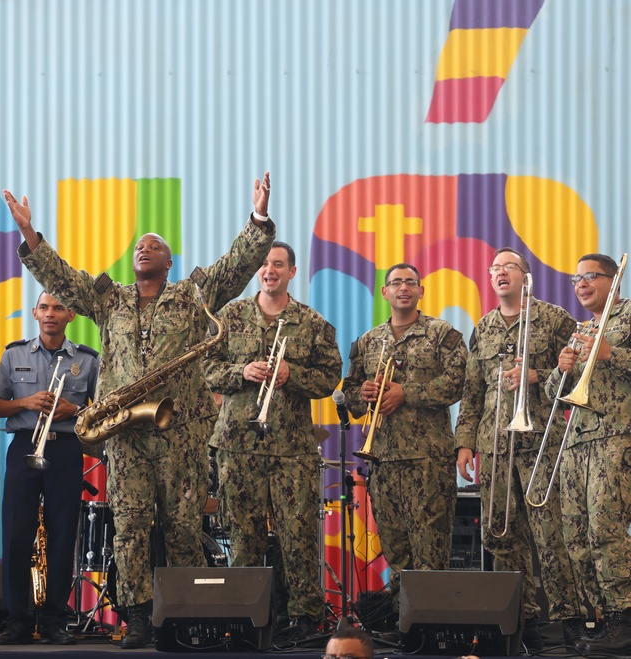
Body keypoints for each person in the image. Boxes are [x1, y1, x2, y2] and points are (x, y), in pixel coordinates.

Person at [3, 172, 275, 649]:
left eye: (154, 247)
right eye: (139, 247)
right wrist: (30, 234)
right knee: (129, 525)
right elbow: (61, 276)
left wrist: (258, 217)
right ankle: (140, 618)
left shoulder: (192, 295)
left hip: (181, 431)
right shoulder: (110, 299)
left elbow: (237, 265)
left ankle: (186, 613)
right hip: (125, 432)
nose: (143, 250)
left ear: (170, 263)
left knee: (184, 525)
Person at [205, 241, 341, 635]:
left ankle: (303, 617)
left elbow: (331, 376)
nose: (270, 270)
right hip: (237, 446)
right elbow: (206, 368)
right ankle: (245, 615)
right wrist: (240, 372)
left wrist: (291, 376)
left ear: (291, 272)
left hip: (291, 448)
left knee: (297, 535)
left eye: (278, 264)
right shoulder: (230, 315)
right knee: (242, 534)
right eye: (264, 263)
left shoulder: (311, 322)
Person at [455, 247, 585, 648]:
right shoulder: (484, 327)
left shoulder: (554, 319)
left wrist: (536, 375)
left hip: (541, 442)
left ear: (526, 276)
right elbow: (472, 390)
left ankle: (569, 620)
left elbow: (581, 370)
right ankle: (520, 619)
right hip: (494, 444)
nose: (499, 273)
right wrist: (464, 444)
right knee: (500, 535)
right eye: (494, 269)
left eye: (508, 267)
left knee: (550, 534)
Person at [340, 264, 466, 601]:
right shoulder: (368, 342)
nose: (404, 288)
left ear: (421, 291)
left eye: (411, 282)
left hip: (428, 462)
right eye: (396, 283)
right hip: (383, 461)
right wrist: (364, 395)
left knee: (431, 551)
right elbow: (349, 393)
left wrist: (406, 392)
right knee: (396, 552)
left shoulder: (442, 334)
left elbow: (459, 381)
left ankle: (430, 624)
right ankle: (404, 622)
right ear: (385, 293)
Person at [0, 291, 100, 645]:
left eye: (59, 308)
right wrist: (24, 402)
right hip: (24, 447)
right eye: (45, 307)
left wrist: (76, 412)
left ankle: (55, 618)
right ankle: (17, 619)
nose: (50, 313)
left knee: (63, 535)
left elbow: (103, 412)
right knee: (17, 534)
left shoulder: (88, 360)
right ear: (35, 313)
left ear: (71, 315)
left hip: (66, 450)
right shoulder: (14, 353)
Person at [545, 253, 631, 654]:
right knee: (576, 537)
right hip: (576, 443)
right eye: (575, 278)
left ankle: (625, 618)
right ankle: (598, 619)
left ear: (613, 280)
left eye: (589, 276)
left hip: (615, 437)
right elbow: (552, 394)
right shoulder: (581, 329)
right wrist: (559, 370)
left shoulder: (628, 317)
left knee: (605, 532)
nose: (580, 284)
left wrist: (611, 353)